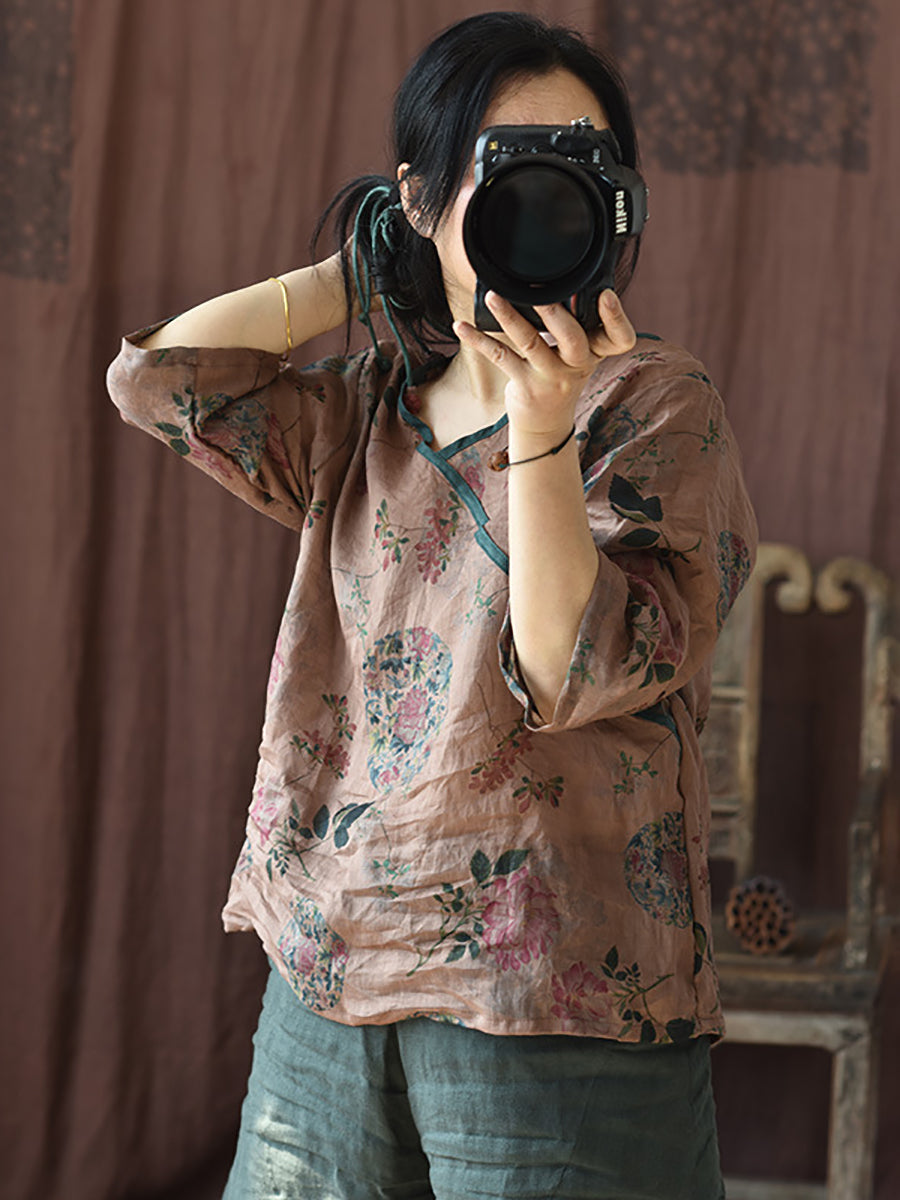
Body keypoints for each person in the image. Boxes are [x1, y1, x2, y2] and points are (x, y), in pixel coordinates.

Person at [107, 12, 756, 1199]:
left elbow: (567, 670)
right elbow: (156, 381)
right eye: (509, 166)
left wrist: (543, 426)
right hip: (329, 961)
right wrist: (360, 269)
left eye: (580, 162)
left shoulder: (652, 402)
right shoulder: (367, 407)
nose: (544, 193)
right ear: (422, 193)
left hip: (557, 982)